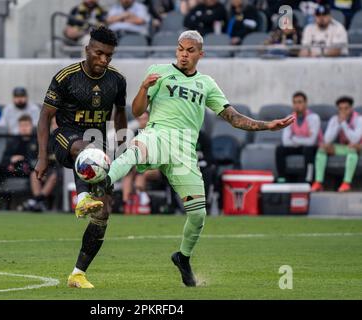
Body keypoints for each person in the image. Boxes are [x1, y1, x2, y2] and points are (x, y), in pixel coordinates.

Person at [86, 30, 293, 287]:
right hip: (158, 134)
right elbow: (138, 110)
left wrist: (267, 125)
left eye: (190, 50)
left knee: (198, 216)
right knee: (133, 153)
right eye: (180, 49)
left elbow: (234, 118)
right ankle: (100, 184)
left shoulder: (206, 84)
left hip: (185, 149)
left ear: (200, 54)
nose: (184, 54)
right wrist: (143, 88)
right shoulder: (159, 71)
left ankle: (183, 257)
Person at [34, 26, 127, 288]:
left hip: (97, 149)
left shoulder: (117, 80)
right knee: (89, 149)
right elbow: (44, 117)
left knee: (103, 214)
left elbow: (120, 114)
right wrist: (42, 157)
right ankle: (82, 197)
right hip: (65, 139)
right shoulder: (66, 77)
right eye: (99, 53)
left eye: (109, 55)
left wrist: (122, 146)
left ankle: (78, 273)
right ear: (87, 49)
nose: (104, 60)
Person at [311, 96, 362, 192]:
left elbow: (354, 139)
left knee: (353, 149)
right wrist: (338, 124)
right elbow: (327, 139)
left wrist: (343, 124)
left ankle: (346, 183)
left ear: (351, 108)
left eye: (346, 108)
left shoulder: (359, 119)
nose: (343, 111)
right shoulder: (335, 119)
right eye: (340, 109)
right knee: (322, 149)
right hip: (344, 148)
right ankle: (318, 182)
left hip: (358, 148)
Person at [121, 111, 161, 214]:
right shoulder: (135, 134)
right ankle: (127, 203)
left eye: (145, 119)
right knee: (128, 174)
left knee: (141, 174)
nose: (143, 122)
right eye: (141, 119)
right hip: (140, 167)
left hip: (156, 169)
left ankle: (142, 198)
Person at [276, 92, 321, 183]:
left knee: (308, 150)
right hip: (296, 146)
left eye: (300, 102)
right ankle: (282, 178)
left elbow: (311, 142)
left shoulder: (313, 118)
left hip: (311, 148)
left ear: (305, 103)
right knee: (280, 149)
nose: (297, 105)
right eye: (295, 102)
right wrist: (301, 140)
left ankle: (309, 179)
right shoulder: (289, 118)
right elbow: (285, 141)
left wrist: (294, 139)